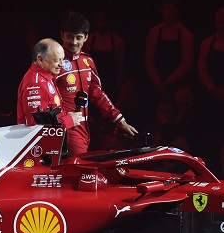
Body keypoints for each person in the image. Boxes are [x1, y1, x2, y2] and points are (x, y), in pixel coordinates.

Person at [55, 12, 137, 157]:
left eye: (78, 37)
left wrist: (119, 120)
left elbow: (96, 94)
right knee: (78, 172)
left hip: (85, 128)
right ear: (62, 35)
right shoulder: (53, 62)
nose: (73, 42)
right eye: (69, 36)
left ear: (86, 37)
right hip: (65, 128)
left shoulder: (88, 61)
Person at [17, 38, 84, 130]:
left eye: (62, 59)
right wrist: (69, 120)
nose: (62, 64)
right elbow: (36, 126)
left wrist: (65, 117)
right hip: (41, 143)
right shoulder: (35, 83)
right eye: (57, 60)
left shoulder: (46, 77)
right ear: (40, 59)